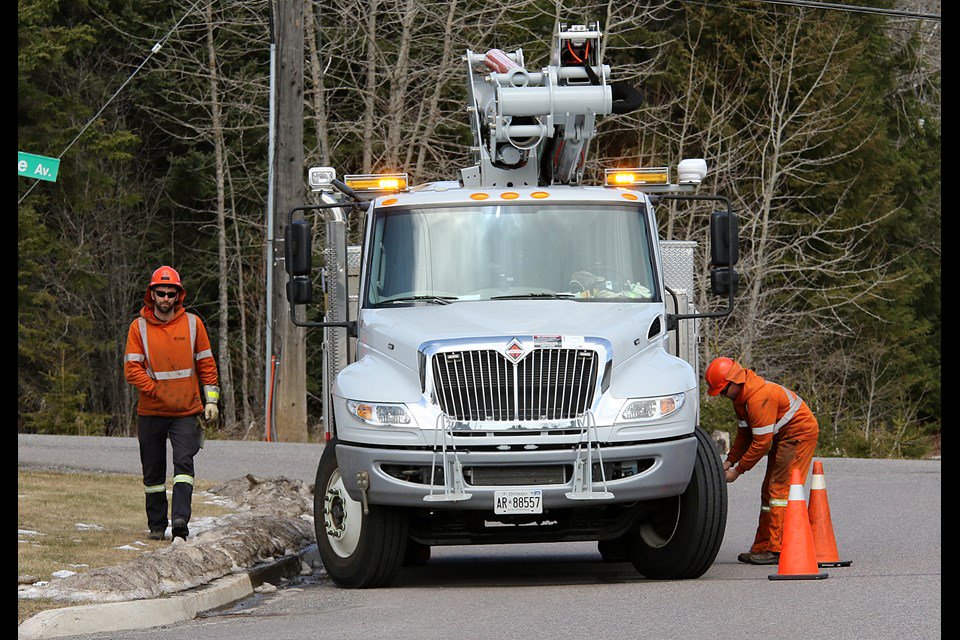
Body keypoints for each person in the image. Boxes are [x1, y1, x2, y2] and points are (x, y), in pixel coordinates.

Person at [123, 266, 219, 541]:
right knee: (153, 472)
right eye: (161, 293)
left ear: (178, 295)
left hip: (186, 411)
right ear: (151, 294)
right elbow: (132, 369)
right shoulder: (138, 327)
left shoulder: (193, 324)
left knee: (183, 466)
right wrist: (156, 390)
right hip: (151, 411)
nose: (165, 298)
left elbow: (207, 364)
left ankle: (180, 521)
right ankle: (156, 525)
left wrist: (211, 401)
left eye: (170, 293)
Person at [704, 357, 819, 565]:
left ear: (734, 381)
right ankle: (762, 546)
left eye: (722, 391)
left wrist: (737, 471)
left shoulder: (758, 399)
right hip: (783, 435)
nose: (722, 396)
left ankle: (777, 548)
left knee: (779, 489)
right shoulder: (742, 400)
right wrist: (728, 462)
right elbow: (744, 435)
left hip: (798, 434)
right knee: (768, 489)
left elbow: (761, 444)